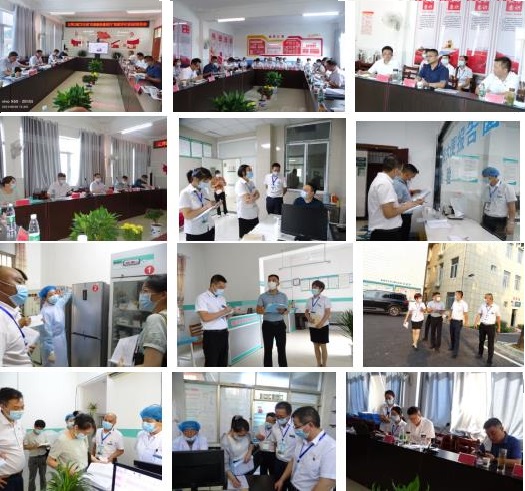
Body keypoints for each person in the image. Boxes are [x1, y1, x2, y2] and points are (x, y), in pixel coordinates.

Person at [274, 406, 336, 491]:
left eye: (297, 426)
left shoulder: (331, 448)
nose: (294, 429)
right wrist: (282, 479)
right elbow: (293, 460)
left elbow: (325, 484)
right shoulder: (301, 439)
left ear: (310, 425)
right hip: (293, 486)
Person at [368, 156, 424, 240]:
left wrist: (411, 203)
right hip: (385, 232)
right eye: (400, 170)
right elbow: (389, 213)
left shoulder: (382, 181)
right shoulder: (384, 184)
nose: (399, 173)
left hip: (385, 230)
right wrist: (409, 205)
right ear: (395, 170)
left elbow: (393, 206)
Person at [196, 274, 234, 367]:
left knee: (223, 362)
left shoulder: (222, 298)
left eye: (224, 288)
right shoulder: (202, 298)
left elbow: (223, 317)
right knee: (211, 363)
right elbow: (205, 317)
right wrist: (224, 311)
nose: (222, 290)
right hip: (211, 336)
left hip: (224, 333)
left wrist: (229, 313)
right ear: (213, 285)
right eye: (220, 287)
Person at [0, 266, 32, 366]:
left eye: (24, 283)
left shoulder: (8, 311)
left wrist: (23, 349)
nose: (24, 287)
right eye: (19, 282)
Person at [256, 274, 289, 367]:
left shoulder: (283, 296)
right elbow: (258, 310)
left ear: (278, 283)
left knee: (281, 349)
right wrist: (264, 310)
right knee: (268, 349)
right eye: (269, 280)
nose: (271, 282)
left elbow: (287, 310)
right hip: (267, 325)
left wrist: (283, 311)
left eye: (274, 280)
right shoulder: (262, 296)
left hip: (280, 325)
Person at [135, 274, 167, 367]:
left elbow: (150, 366)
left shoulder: (155, 319)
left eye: (145, 291)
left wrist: (122, 368)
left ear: (163, 295)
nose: (141, 296)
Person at [38, 285, 72, 367]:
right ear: (45, 298)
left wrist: (62, 288)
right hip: (52, 343)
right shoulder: (44, 312)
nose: (54, 296)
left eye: (55, 293)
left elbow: (67, 295)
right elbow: (45, 333)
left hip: (61, 339)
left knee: (62, 362)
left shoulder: (57, 304)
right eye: (50, 295)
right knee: (53, 366)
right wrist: (50, 351)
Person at [179, 167, 216, 241]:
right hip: (195, 232)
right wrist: (206, 207)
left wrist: (213, 205)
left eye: (207, 181)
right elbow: (187, 215)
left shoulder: (203, 190)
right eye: (205, 181)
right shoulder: (185, 193)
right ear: (195, 178)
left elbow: (206, 204)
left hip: (209, 227)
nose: (206, 183)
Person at [480, 166, 517, 240]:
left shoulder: (507, 187)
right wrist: (483, 217)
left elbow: (512, 207)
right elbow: (485, 203)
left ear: (493, 176)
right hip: (486, 219)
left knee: (498, 240)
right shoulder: (486, 188)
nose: (485, 179)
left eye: (486, 177)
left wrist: (511, 223)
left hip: (500, 221)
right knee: (484, 239)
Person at [0, 387, 26, 491]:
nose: (20, 411)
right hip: (4, 481)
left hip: (19, 477)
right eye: (16, 408)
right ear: (2, 406)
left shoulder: (18, 422)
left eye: (22, 407)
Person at [221, 416, 254, 490]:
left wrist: (249, 451)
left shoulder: (248, 434)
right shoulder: (226, 441)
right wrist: (233, 479)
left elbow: (252, 443)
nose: (242, 437)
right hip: (233, 471)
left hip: (247, 466)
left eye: (244, 435)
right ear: (233, 430)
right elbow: (225, 464)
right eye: (239, 435)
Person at [305, 280, 331, 367]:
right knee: (315, 346)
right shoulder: (309, 300)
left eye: (315, 287)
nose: (313, 289)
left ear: (321, 289)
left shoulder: (325, 299)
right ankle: (318, 364)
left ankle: (324, 365)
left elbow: (327, 313)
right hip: (313, 326)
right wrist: (309, 318)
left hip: (323, 326)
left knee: (323, 346)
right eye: (312, 287)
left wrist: (321, 323)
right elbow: (306, 312)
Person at [271, 402, 296, 491]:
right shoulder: (275, 427)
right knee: (278, 486)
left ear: (289, 414)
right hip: (279, 462)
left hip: (292, 464)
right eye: (277, 416)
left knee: (292, 487)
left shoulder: (296, 427)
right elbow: (275, 443)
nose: (278, 419)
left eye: (281, 416)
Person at [393, 163, 420, 240]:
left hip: (406, 213)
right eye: (411, 177)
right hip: (403, 215)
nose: (411, 179)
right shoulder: (398, 184)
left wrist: (412, 192)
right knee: (403, 236)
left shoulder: (403, 182)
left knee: (405, 234)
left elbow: (403, 194)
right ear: (406, 174)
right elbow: (397, 203)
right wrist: (415, 203)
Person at [474, 293, 501, 367]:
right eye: (485, 298)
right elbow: (479, 314)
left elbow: (498, 318)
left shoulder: (496, 307)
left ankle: (489, 361)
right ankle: (480, 354)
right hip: (482, 325)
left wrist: (499, 327)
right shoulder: (482, 305)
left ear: (490, 299)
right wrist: (476, 322)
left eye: (486, 298)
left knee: (490, 344)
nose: (485, 299)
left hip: (491, 327)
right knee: (481, 341)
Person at [235, 164, 260, 239]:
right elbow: (247, 200)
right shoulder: (239, 184)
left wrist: (252, 196)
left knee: (255, 235)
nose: (251, 171)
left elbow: (258, 194)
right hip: (244, 215)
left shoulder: (251, 182)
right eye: (249, 170)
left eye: (251, 170)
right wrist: (253, 196)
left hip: (254, 213)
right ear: (243, 172)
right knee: (245, 237)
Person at [23, 419, 48, 491]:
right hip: (33, 458)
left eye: (41, 428)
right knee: (32, 478)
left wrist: (46, 446)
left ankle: (43, 490)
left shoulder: (44, 434)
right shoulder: (28, 434)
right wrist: (33, 446)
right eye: (38, 428)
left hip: (43, 457)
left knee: (43, 477)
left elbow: (47, 444)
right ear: (34, 426)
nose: (39, 430)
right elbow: (24, 446)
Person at [448, 290, 468, 359]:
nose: (455, 296)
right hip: (452, 321)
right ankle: (452, 346)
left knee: (456, 336)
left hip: (458, 322)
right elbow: (451, 310)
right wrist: (450, 316)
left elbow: (466, 314)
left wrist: (466, 322)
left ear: (460, 295)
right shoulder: (454, 302)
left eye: (456, 295)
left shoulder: (464, 304)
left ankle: (455, 353)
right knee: (452, 335)